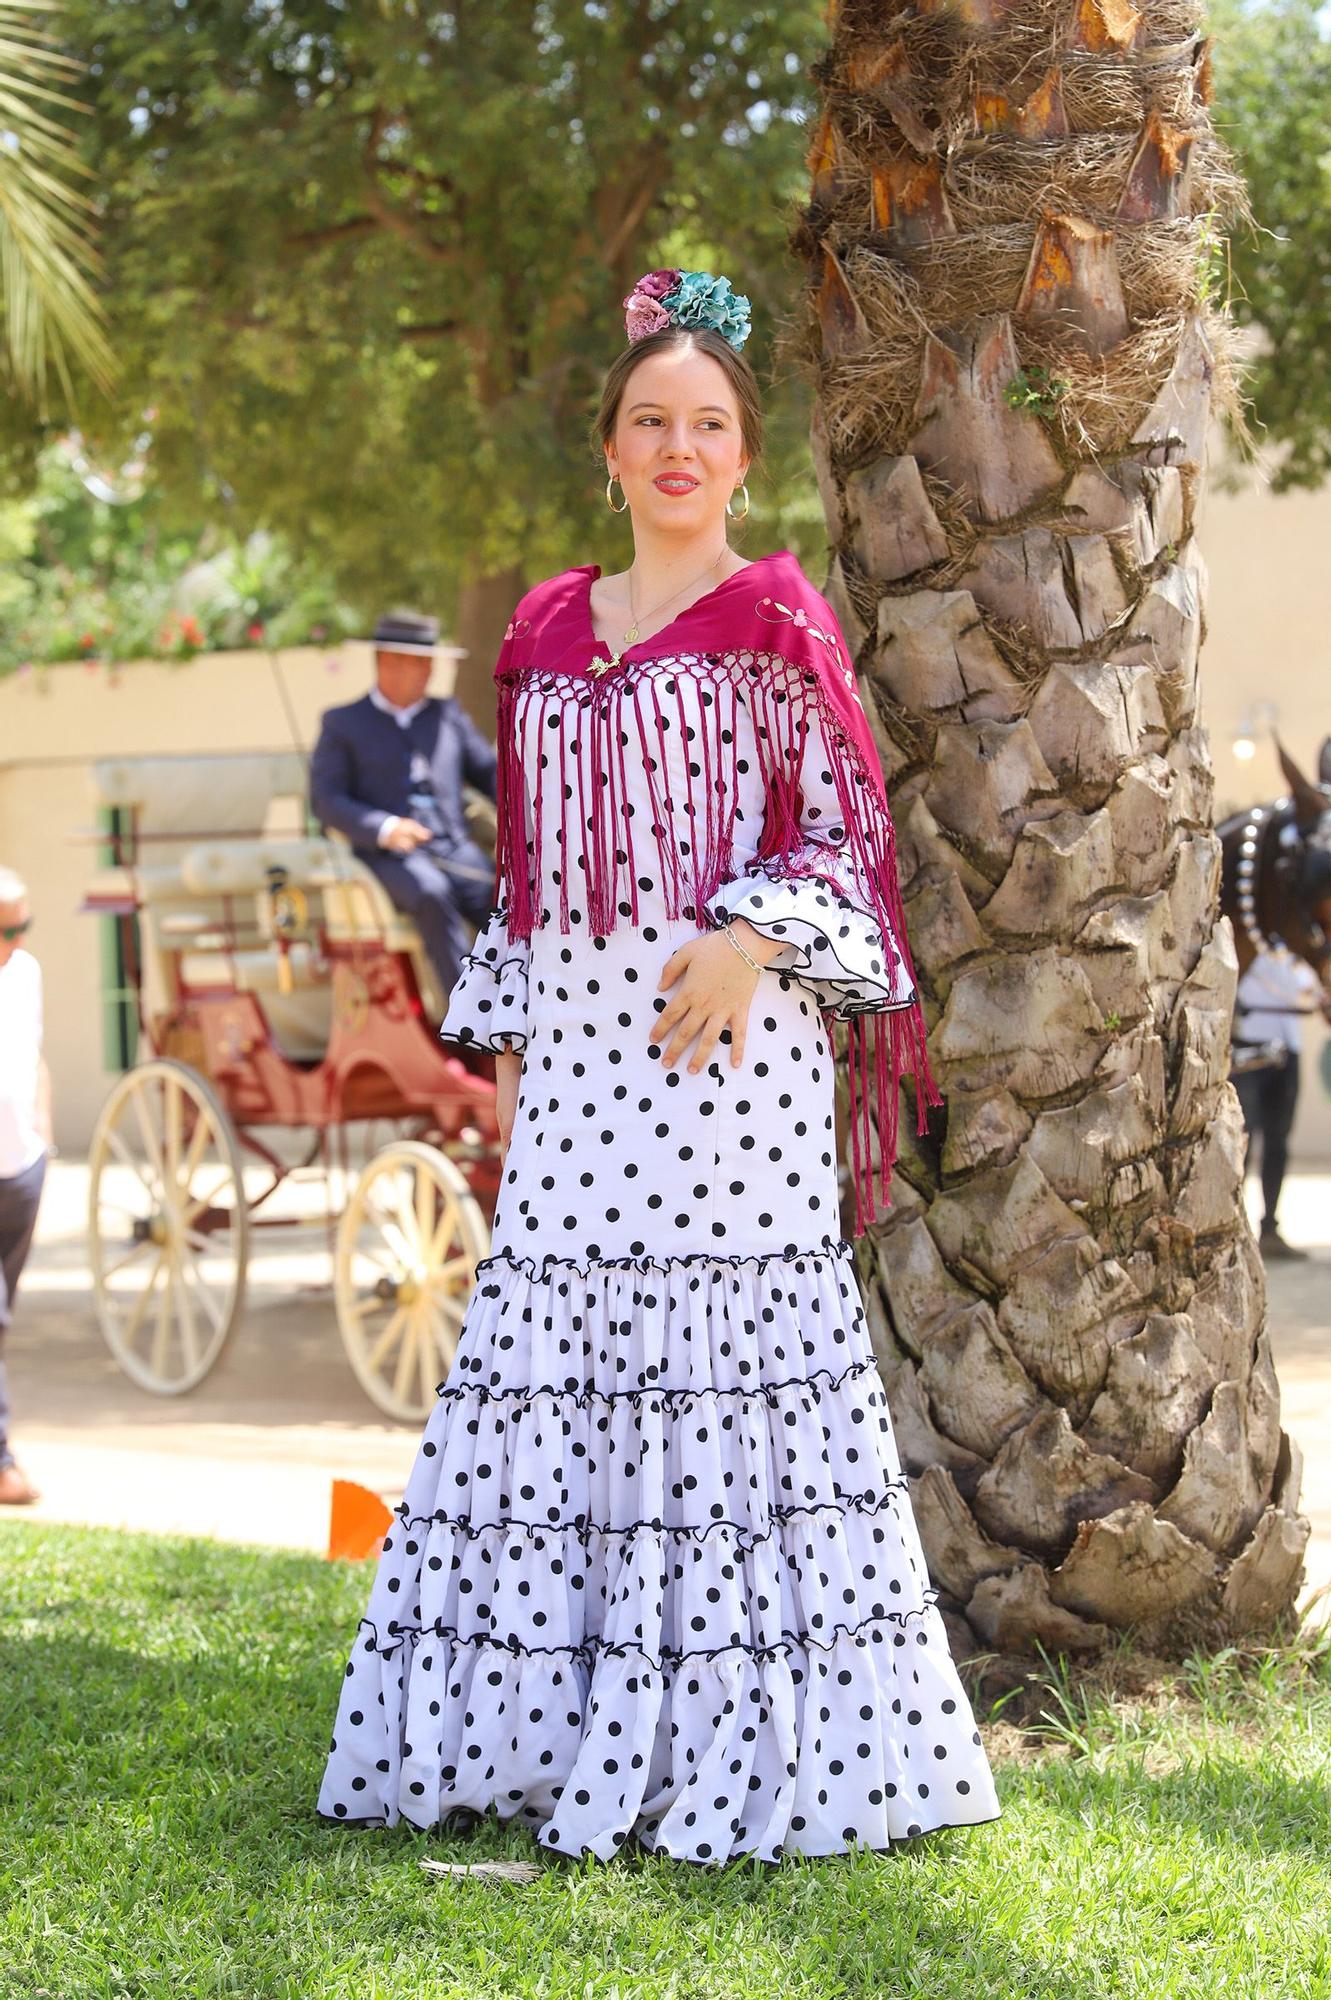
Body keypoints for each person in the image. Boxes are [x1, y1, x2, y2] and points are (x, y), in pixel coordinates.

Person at [317, 271, 1000, 1863]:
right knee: (554, 1361)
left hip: (727, 1055)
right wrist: (517, 1029)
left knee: (728, 1360)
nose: (676, 446)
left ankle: (751, 1750)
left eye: (705, 424)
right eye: (649, 423)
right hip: (577, 1059)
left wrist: (748, 938)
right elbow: (533, 868)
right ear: (609, 452)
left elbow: (842, 837)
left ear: (740, 457)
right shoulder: (544, 630)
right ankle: (548, 1737)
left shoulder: (777, 615)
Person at [309, 610, 499, 998]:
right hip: (390, 856)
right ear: (387, 663)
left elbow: (491, 773)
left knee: (500, 898)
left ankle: (524, 1005)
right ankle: (467, 1014)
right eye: (420, 663)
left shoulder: (447, 715)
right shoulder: (343, 723)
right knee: (430, 892)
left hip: (453, 846)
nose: (430, 672)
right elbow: (326, 800)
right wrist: (386, 828)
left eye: (430, 663)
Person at [0, 867, 52, 1506]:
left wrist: (45, 1137)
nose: (10, 941)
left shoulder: (27, 971)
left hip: (21, 1173)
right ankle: (3, 1460)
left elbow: (34, 1054)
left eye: (20, 927)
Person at [1232, 945, 1326, 1260]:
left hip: (1289, 1049)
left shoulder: (1294, 953)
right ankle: (1233, 1227)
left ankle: (1269, 1229)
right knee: (1242, 1140)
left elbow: (1311, 990)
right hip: (1248, 1047)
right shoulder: (1250, 939)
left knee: (1278, 1140)